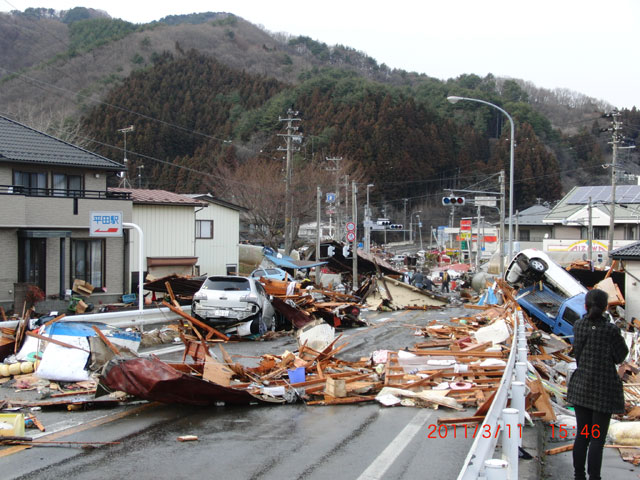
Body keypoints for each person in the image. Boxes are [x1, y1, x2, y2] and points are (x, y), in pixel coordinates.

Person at [567, 289, 628, 480]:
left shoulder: (579, 325)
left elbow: (577, 353)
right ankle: (595, 477)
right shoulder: (610, 330)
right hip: (603, 390)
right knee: (597, 439)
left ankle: (579, 475)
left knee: (583, 434)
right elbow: (620, 356)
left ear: (585, 306)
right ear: (605, 308)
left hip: (581, 388)